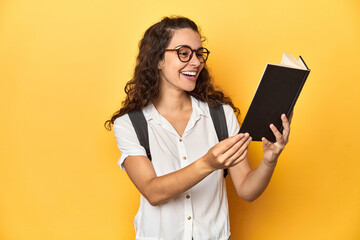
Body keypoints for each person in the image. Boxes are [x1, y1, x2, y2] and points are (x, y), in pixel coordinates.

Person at [105, 16, 292, 240]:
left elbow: (246, 189)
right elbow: (153, 192)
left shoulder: (221, 115)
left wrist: (270, 160)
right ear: (158, 60)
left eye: (199, 53)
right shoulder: (130, 124)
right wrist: (207, 163)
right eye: (184, 53)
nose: (196, 62)